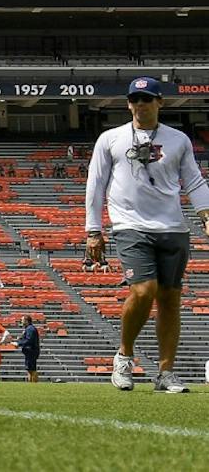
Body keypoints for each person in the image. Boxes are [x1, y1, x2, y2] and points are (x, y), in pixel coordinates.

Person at [86, 76, 209, 395]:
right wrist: (93, 229)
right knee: (144, 290)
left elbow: (193, 181)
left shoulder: (178, 139)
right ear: (128, 104)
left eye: (147, 99)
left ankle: (165, 373)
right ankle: (124, 356)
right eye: (135, 100)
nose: (140, 104)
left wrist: (206, 214)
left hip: (173, 228)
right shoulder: (110, 138)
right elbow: (96, 183)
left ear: (160, 102)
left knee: (170, 299)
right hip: (130, 226)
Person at [17, 316, 40, 383]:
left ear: (26, 321)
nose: (21, 321)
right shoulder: (29, 328)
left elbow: (29, 340)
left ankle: (34, 384)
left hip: (31, 351)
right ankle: (31, 384)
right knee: (30, 369)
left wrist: (19, 343)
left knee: (32, 369)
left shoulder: (30, 329)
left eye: (22, 320)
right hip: (30, 351)